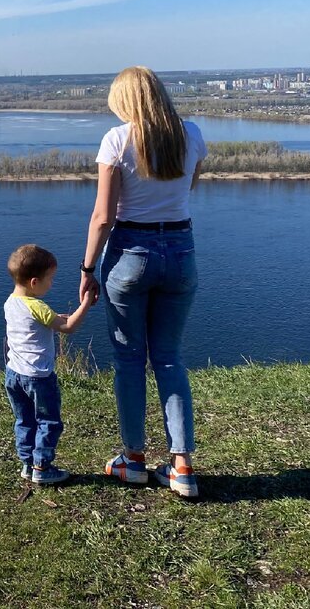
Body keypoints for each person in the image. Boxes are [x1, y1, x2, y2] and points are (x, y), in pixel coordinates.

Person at [79, 66, 208, 498]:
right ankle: (183, 468)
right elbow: (191, 185)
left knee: (130, 361)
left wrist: (86, 271)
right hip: (181, 248)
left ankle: (133, 461)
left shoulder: (117, 140)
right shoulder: (191, 134)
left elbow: (102, 217)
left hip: (130, 254)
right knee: (169, 358)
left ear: (127, 100)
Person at [4, 243, 95, 486]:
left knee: (24, 420)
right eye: (50, 279)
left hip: (13, 374)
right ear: (34, 282)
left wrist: (58, 319)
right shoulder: (38, 306)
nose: (51, 284)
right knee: (48, 421)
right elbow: (68, 328)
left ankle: (27, 463)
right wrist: (85, 303)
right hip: (38, 376)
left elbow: (40, 324)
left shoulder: (11, 302)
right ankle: (42, 467)